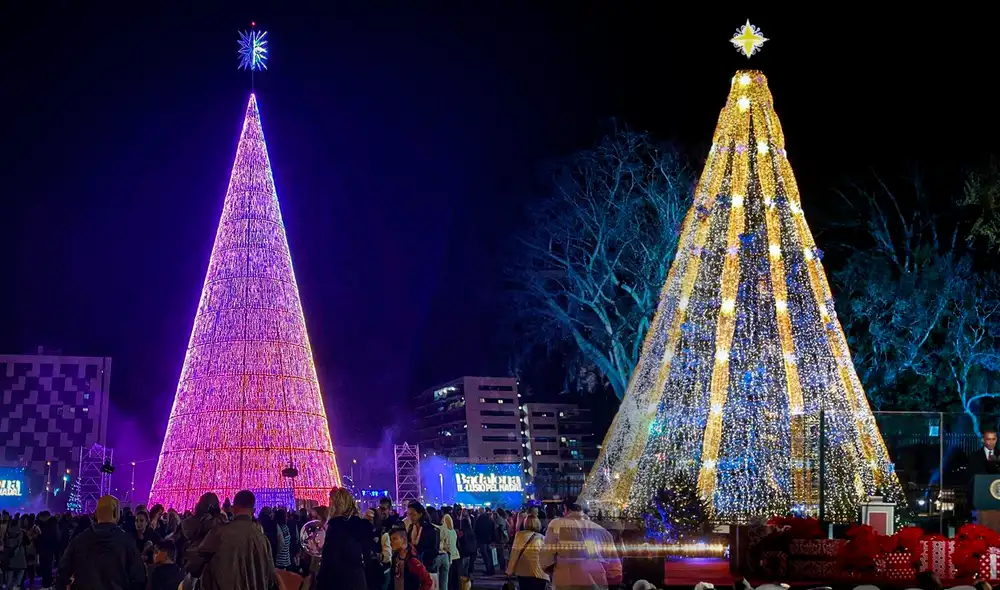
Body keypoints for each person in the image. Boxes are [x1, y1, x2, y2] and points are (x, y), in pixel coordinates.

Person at [187, 489, 278, 590]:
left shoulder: (219, 532)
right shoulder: (263, 539)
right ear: (253, 511)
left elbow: (195, 563)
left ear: (233, 508)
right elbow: (270, 577)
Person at [56, 495, 147, 590]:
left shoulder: (79, 540)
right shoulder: (127, 542)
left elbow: (62, 574)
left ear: (96, 513)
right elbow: (138, 578)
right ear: (116, 513)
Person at [539, 496, 622, 590]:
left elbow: (546, 558)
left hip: (566, 583)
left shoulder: (556, 525)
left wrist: (554, 572)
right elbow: (614, 567)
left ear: (565, 508)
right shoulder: (603, 531)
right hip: (597, 585)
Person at [315, 488, 368, 590]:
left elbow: (331, 562)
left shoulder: (336, 527)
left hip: (340, 582)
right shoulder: (358, 524)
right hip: (358, 580)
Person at [505, 515, 548, 590]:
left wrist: (509, 571)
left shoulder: (519, 535)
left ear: (525, 523)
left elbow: (514, 554)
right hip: (539, 573)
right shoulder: (542, 538)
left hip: (524, 571)